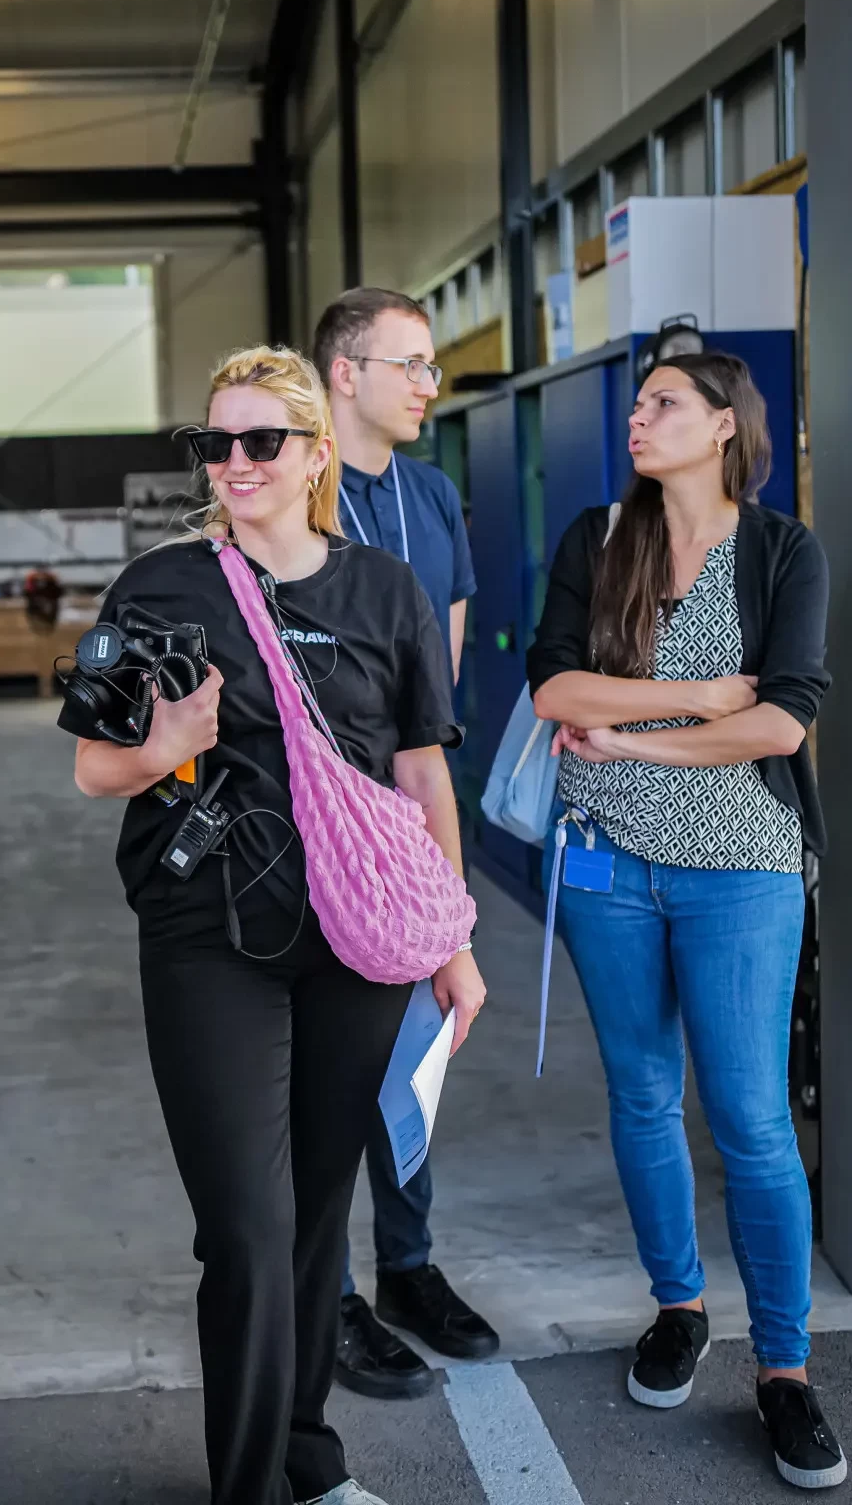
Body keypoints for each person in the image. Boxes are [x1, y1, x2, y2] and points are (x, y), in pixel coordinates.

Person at [63, 346, 485, 1505]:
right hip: (209, 938)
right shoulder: (161, 588)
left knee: (315, 1218)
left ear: (315, 454)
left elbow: (420, 774)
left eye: (261, 441)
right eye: (216, 443)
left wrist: (450, 941)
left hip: (359, 940)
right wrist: (165, 745)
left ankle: (307, 1457)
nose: (235, 462)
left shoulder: (385, 591)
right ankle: (247, 1486)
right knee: (247, 1227)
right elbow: (96, 766)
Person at [525, 351, 846, 1491]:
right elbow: (553, 687)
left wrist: (634, 739)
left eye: (664, 402)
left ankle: (786, 1370)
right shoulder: (599, 538)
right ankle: (678, 1308)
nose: (639, 416)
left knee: (752, 1119)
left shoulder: (783, 551)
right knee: (643, 1095)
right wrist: (700, 698)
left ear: (722, 427)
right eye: (639, 401)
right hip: (606, 863)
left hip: (741, 869)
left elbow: (781, 724)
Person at [312, 287, 498, 1397]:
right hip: (320, 821)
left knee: (419, 1041)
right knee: (330, 1059)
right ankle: (328, 1291)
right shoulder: (296, 490)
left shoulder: (430, 496)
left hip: (411, 810)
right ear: (346, 373)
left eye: (431, 365)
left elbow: (444, 682)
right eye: (411, 364)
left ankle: (407, 1267)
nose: (431, 383)